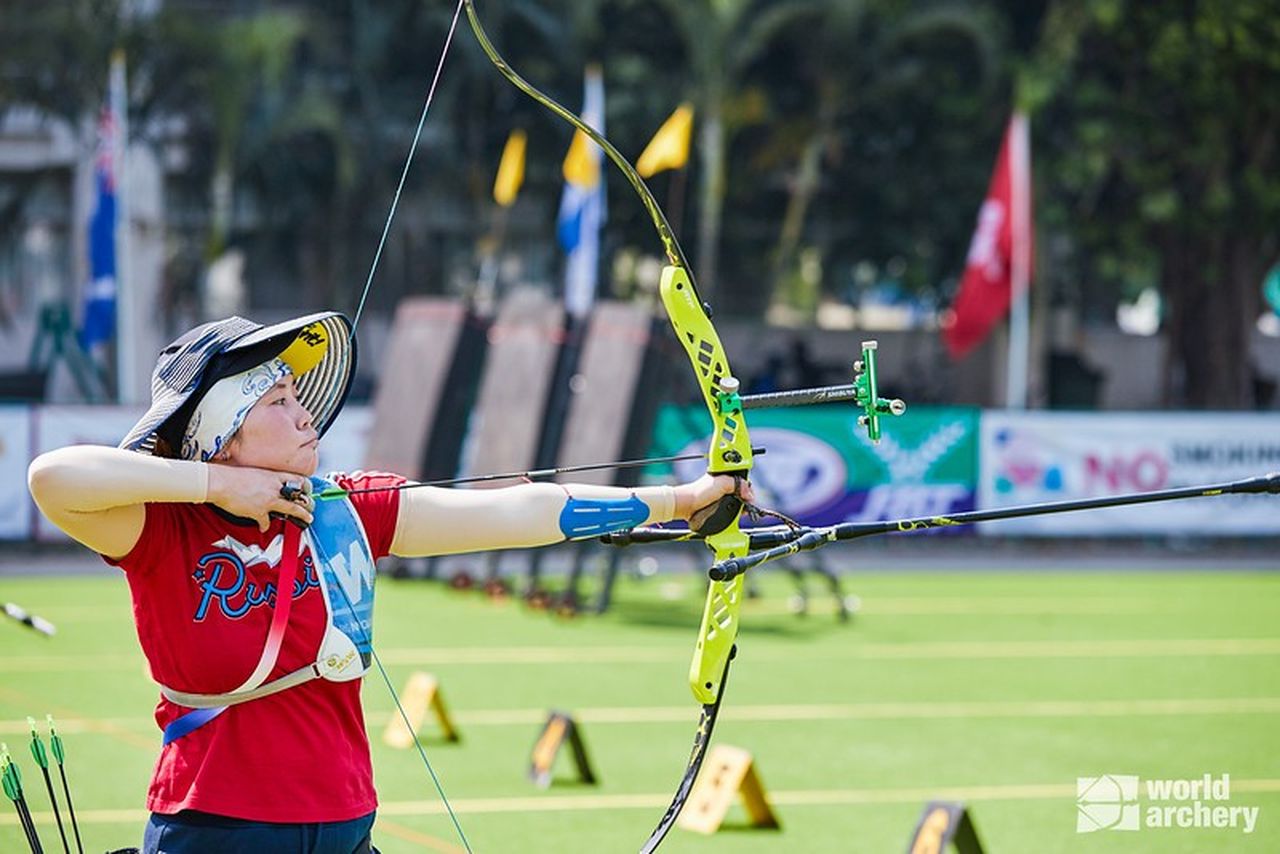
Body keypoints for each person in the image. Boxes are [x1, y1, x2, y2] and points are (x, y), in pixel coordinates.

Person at [27, 312, 746, 854]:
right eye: (277, 402)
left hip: (345, 825)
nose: (304, 411)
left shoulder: (342, 510)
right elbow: (53, 479)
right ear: (224, 435)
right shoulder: (160, 531)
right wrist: (221, 487)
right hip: (216, 829)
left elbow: (516, 511)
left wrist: (681, 501)